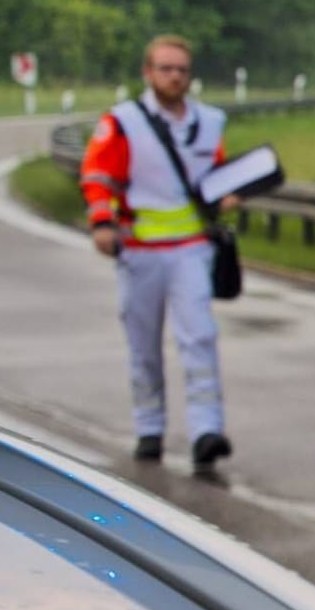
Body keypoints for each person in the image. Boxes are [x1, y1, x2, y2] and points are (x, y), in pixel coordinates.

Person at [80, 35, 244, 472]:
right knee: (144, 345)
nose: (175, 76)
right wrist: (102, 223)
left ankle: (207, 432)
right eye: (166, 69)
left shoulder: (209, 122)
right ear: (148, 73)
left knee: (200, 338)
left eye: (182, 70)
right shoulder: (123, 122)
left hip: (192, 249)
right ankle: (149, 428)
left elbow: (216, 175)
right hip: (139, 251)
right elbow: (98, 175)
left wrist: (226, 196)